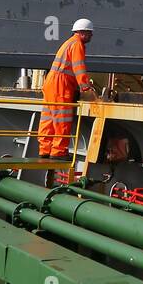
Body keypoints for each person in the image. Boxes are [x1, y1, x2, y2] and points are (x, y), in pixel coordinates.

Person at [39, 18, 98, 183]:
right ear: (83, 33)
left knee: (48, 118)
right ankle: (58, 152)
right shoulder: (77, 44)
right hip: (61, 84)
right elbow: (78, 67)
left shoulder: (67, 43)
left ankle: (45, 150)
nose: (91, 36)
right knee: (62, 118)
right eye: (90, 33)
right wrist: (85, 87)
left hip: (51, 82)